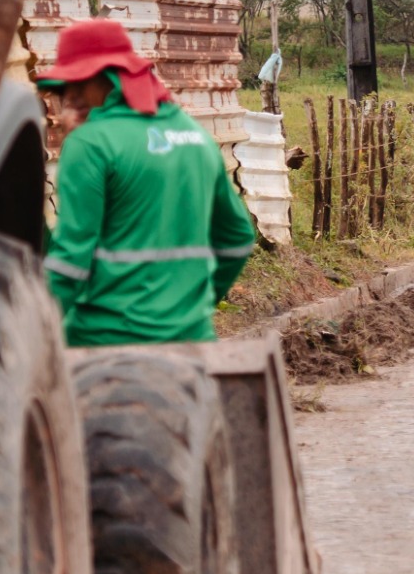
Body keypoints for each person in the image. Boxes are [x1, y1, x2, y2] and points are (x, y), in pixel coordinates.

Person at [40, 19, 254, 347]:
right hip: (193, 338)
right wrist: (196, 307)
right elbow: (237, 239)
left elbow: (70, 260)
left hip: (105, 343)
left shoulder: (90, 144)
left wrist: (33, 338)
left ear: (103, 78)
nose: (68, 98)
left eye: (74, 84)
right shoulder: (196, 136)